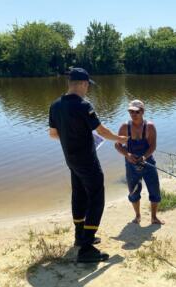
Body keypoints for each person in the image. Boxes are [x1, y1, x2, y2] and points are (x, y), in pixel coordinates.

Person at [48, 67, 128, 263]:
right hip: (87, 160)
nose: (88, 90)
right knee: (96, 197)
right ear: (83, 84)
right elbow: (101, 130)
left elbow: (53, 134)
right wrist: (120, 138)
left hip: (71, 159)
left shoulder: (55, 105)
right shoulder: (84, 106)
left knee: (79, 194)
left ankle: (80, 236)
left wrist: (71, 137)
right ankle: (87, 247)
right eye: (87, 86)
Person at [115, 100, 163, 225]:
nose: (133, 114)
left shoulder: (150, 127)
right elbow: (117, 145)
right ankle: (137, 216)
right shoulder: (125, 127)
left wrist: (144, 157)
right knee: (133, 192)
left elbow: (152, 147)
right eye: (130, 111)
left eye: (136, 111)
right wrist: (127, 154)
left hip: (148, 162)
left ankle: (154, 217)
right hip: (131, 164)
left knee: (154, 190)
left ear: (142, 111)